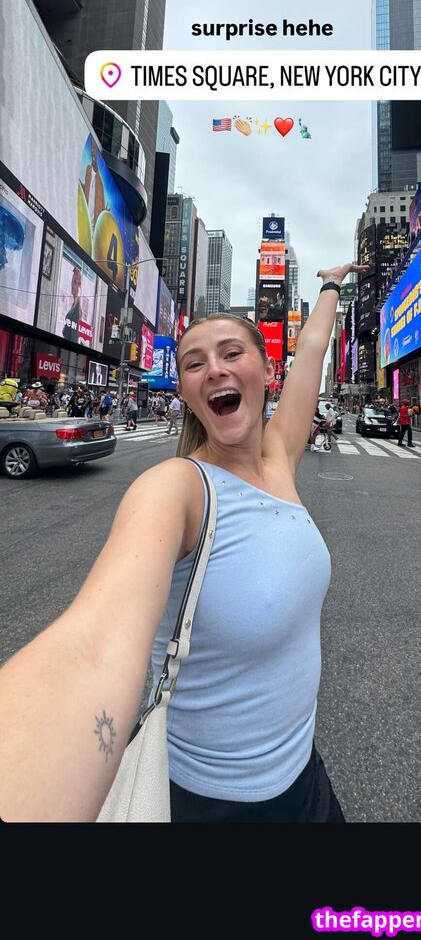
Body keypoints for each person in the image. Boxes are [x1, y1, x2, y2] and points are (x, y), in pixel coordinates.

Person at [0, 260, 369, 822]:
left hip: (305, 779)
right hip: (207, 805)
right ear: (185, 391)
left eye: (231, 353)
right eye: (195, 363)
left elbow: (314, 349)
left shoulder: (278, 458)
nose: (215, 369)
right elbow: (94, 647)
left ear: (268, 370)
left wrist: (330, 285)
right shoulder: (175, 487)